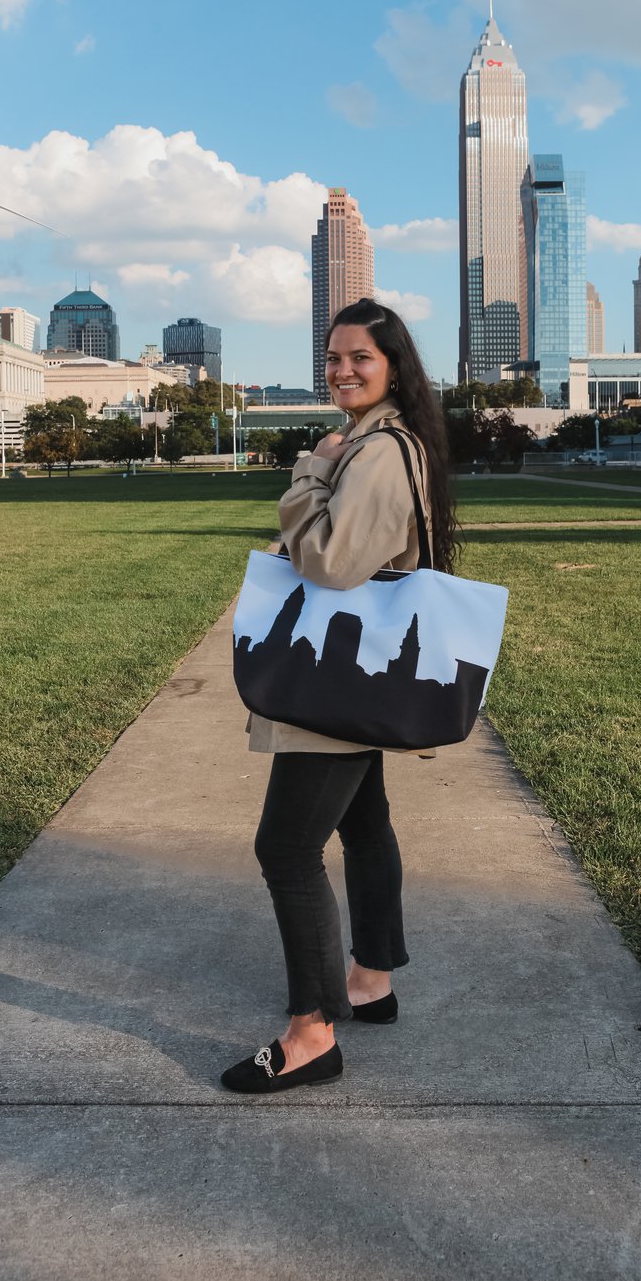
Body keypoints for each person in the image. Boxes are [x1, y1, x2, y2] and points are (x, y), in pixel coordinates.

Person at [221, 297, 457, 1094]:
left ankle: (311, 1032)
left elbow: (328, 564)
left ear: (393, 365)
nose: (342, 370)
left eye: (360, 357)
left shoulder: (378, 451)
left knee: (285, 849)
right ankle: (372, 980)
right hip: (358, 673)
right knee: (364, 823)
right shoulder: (378, 440)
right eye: (332, 358)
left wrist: (311, 466)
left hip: (336, 673)